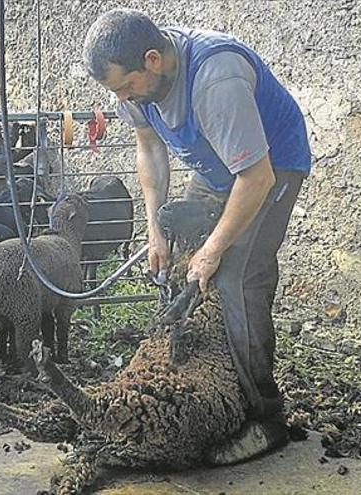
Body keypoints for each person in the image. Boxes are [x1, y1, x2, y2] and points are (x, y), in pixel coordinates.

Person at [83, 9, 311, 465]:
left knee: (236, 279)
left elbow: (255, 177)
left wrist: (211, 251)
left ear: (153, 59)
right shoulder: (135, 86)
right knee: (177, 245)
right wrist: (154, 230)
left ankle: (266, 418)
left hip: (270, 168)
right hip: (218, 167)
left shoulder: (215, 78)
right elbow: (148, 146)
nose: (123, 98)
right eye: (115, 92)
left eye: (125, 87)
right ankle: (198, 374)